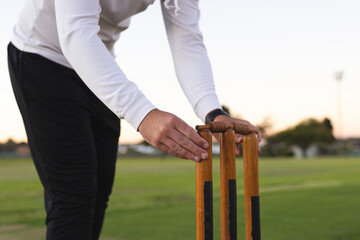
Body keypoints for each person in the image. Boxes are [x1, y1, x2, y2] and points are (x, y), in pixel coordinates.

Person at [7, 0, 260, 239]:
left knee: (97, 197)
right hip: (41, 57)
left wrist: (213, 112)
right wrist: (142, 113)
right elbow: (76, 33)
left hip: (99, 64)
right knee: (74, 198)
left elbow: (187, 41)